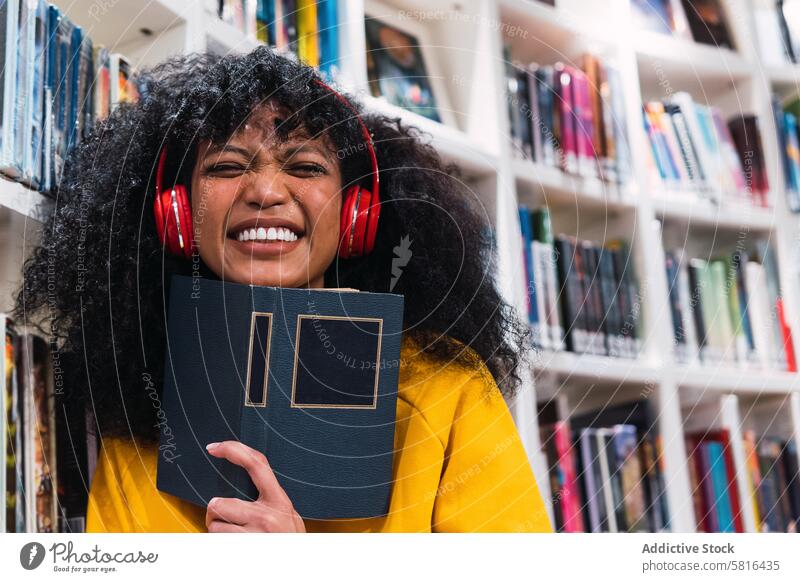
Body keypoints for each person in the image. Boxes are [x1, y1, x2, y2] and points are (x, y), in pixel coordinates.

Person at [15, 47, 552, 533]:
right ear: (176, 214)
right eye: (226, 166)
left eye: (305, 166)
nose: (267, 191)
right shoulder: (136, 406)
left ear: (356, 212)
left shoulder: (449, 387)